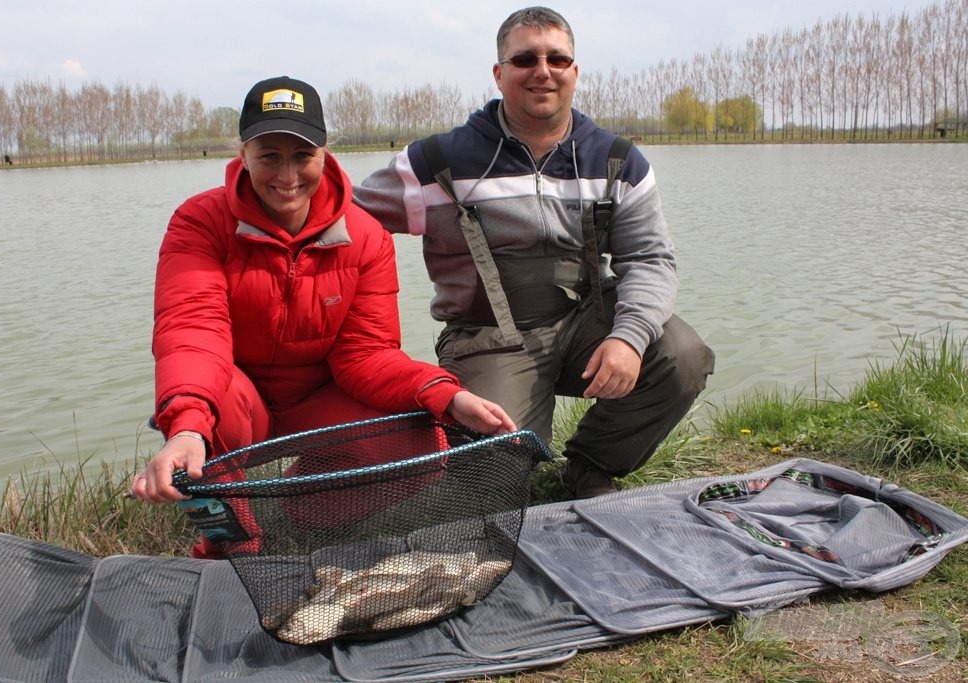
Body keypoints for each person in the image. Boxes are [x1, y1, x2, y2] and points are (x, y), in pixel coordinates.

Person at [132, 76, 517, 541]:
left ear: (325, 153)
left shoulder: (366, 235)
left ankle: (296, 517)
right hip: (239, 401)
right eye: (269, 156)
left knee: (420, 447)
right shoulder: (201, 221)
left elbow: (367, 354)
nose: (288, 176)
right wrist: (188, 426)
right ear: (243, 155)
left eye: (302, 156)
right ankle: (233, 541)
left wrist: (444, 394)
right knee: (211, 412)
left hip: (317, 400)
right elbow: (194, 330)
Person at [354, 7, 715, 499]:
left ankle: (590, 465)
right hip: (488, 339)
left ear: (574, 72)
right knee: (491, 485)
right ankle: (502, 462)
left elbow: (651, 260)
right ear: (499, 73)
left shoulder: (617, 160)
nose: (542, 71)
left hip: (587, 325)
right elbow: (342, 215)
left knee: (681, 356)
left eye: (557, 59)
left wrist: (629, 339)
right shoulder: (436, 161)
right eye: (525, 59)